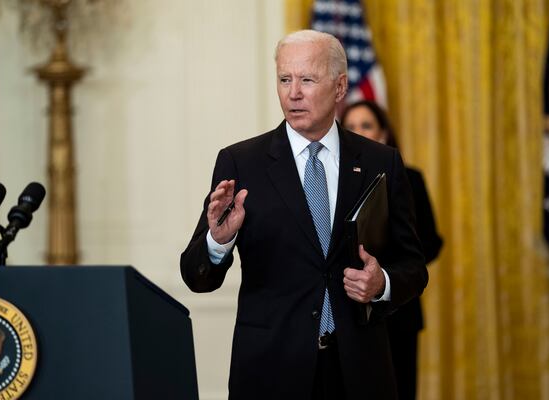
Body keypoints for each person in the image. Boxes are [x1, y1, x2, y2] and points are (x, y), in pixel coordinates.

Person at [180, 30, 428, 400]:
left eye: (307, 79)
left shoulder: (381, 162)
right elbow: (196, 277)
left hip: (359, 372)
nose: (292, 93)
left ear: (340, 87)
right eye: (284, 79)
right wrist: (218, 240)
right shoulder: (241, 163)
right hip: (271, 372)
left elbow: (413, 266)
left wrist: (382, 285)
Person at [341, 100, 443, 400]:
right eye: (351, 126)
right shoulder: (336, 181)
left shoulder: (409, 178)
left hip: (399, 309)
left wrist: (384, 274)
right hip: (349, 311)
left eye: (367, 125)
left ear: (384, 133)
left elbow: (430, 243)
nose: (358, 132)